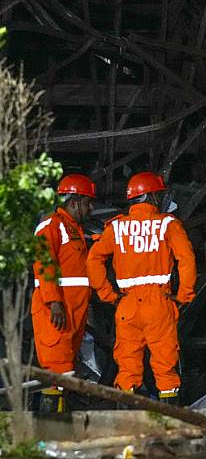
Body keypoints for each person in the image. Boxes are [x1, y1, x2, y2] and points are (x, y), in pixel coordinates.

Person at [87, 171, 196, 404]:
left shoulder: (116, 228)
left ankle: (126, 429)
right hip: (159, 303)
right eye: (157, 196)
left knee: (127, 368)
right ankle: (169, 428)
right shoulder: (167, 224)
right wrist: (183, 296)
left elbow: (93, 260)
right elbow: (186, 259)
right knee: (165, 368)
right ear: (151, 198)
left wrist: (108, 295)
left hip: (127, 305)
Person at [32, 174, 96, 413]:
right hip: (57, 310)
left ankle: (56, 428)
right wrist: (54, 301)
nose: (91, 209)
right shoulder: (51, 225)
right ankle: (50, 434)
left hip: (72, 312)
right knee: (56, 370)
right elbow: (43, 262)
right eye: (88, 203)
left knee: (64, 370)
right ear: (74, 200)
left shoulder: (74, 229)